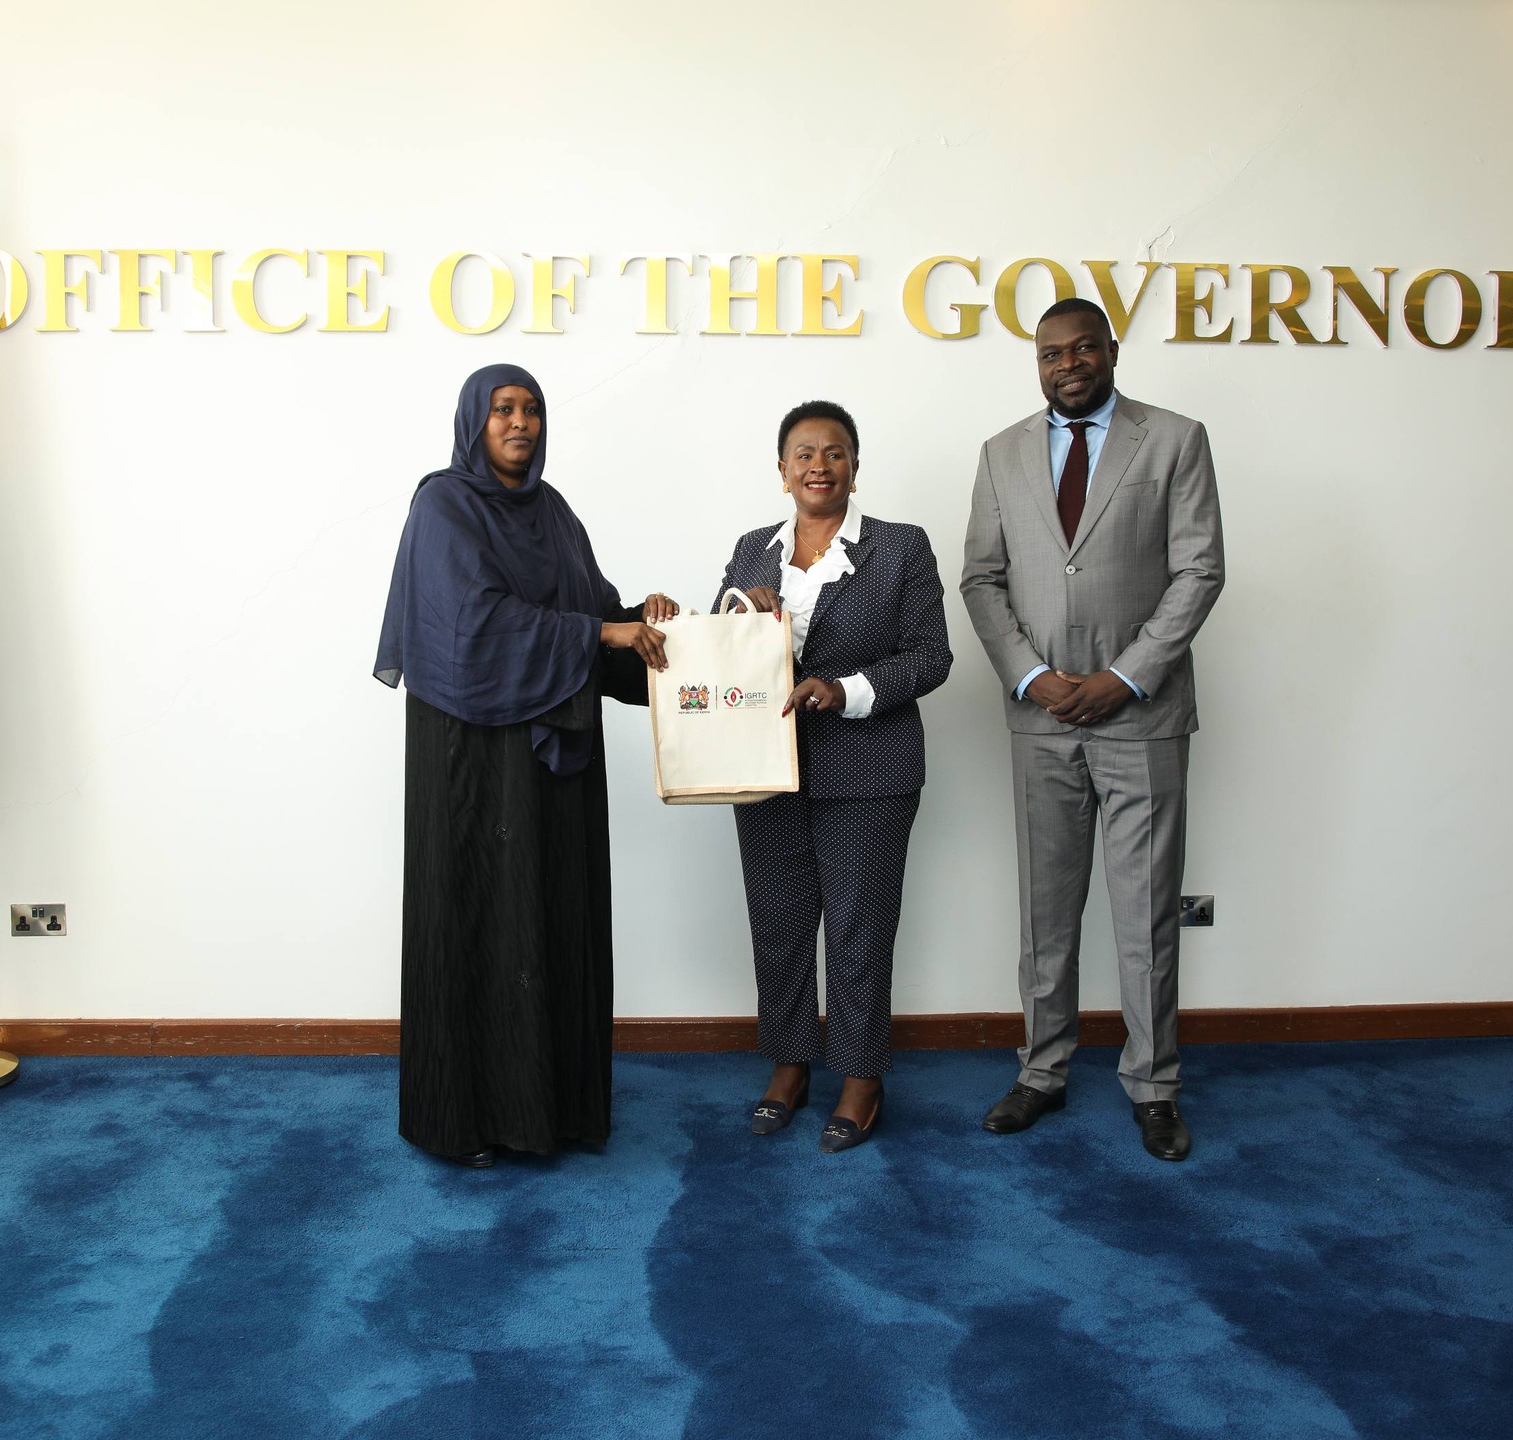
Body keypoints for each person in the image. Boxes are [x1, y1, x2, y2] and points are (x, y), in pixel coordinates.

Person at [373, 364, 678, 1169]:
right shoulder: (441, 504)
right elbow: (472, 622)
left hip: (554, 767)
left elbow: (591, 607)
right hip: (472, 762)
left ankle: (560, 1112)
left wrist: (636, 624)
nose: (520, 423)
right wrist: (595, 638)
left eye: (533, 410)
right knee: (478, 921)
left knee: (555, 919)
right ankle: (465, 1121)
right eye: (504, 409)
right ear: (474, 420)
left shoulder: (554, 513)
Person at [959, 298, 1224, 1162]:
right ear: (1035, 363)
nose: (1066, 364)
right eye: (1049, 354)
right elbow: (982, 581)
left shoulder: (1176, 440)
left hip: (1140, 716)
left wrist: (1124, 676)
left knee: (1146, 909)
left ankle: (1154, 1086)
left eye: (1082, 349)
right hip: (1040, 718)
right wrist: (1034, 677)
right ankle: (1042, 1071)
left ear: (1111, 350)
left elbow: (1199, 570)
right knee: (1047, 908)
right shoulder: (1001, 455)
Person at [718, 400, 952, 1153]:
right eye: (804, 454)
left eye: (835, 453)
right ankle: (789, 1066)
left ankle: (860, 1077)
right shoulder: (753, 549)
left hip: (870, 766)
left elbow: (929, 656)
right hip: (767, 768)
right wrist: (742, 623)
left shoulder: (900, 548)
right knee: (780, 928)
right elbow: (725, 654)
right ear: (782, 469)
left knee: (858, 930)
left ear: (855, 464)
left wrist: (841, 689)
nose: (819, 466)